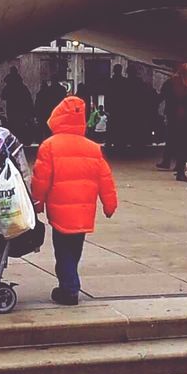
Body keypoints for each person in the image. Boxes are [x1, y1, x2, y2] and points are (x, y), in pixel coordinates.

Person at [31, 95, 117, 305]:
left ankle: (70, 288)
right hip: (84, 211)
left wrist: (37, 202)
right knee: (75, 249)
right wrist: (109, 204)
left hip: (60, 210)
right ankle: (69, 282)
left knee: (63, 252)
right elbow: (105, 179)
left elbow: (41, 179)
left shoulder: (49, 145)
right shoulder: (93, 148)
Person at [157, 63, 187, 174]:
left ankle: (169, 162)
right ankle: (181, 165)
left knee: (171, 138)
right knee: (184, 141)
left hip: (173, 114)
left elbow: (162, 96)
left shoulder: (170, 83)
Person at [1, 65, 35, 142]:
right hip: (21, 111)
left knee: (13, 127)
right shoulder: (22, 87)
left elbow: (3, 96)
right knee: (20, 126)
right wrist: (31, 111)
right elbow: (28, 99)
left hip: (12, 109)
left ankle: (14, 141)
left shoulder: (9, 87)